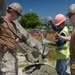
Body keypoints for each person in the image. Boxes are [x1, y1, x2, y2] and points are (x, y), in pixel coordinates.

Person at [0, 2, 22, 75]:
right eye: (18, 14)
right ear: (12, 11)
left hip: (13, 54)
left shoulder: (13, 24)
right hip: (5, 55)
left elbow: (14, 38)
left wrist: (16, 40)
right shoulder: (1, 22)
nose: (18, 17)